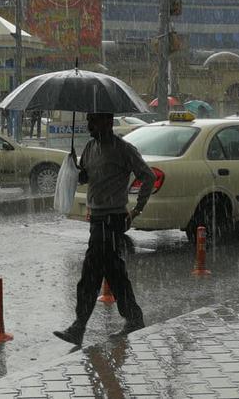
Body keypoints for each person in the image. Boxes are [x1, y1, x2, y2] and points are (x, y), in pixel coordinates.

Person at [53, 112, 156, 347]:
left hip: (112, 219)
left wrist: (137, 209)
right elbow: (85, 177)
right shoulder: (90, 147)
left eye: (93, 121)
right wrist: (73, 167)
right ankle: (133, 317)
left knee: (91, 273)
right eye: (88, 120)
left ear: (108, 123)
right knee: (114, 272)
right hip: (97, 219)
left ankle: (79, 327)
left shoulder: (124, 150)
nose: (89, 125)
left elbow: (147, 176)